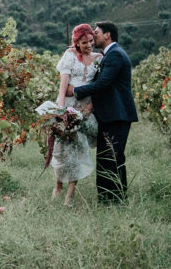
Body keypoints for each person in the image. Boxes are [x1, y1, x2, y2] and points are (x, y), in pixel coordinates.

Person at [71, 21, 138, 203]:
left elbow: (103, 84)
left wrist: (75, 91)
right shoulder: (109, 55)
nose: (94, 35)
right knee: (106, 158)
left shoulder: (115, 55)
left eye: (97, 32)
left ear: (107, 35)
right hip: (110, 115)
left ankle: (115, 200)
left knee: (113, 158)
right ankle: (107, 200)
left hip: (117, 114)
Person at [51, 24, 101, 206]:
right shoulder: (70, 56)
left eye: (91, 41)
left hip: (84, 109)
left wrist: (90, 107)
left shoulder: (98, 58)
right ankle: (58, 186)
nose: (89, 45)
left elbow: (99, 86)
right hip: (68, 106)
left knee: (79, 150)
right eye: (84, 42)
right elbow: (63, 85)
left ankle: (69, 196)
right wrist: (61, 108)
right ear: (77, 43)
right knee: (62, 150)